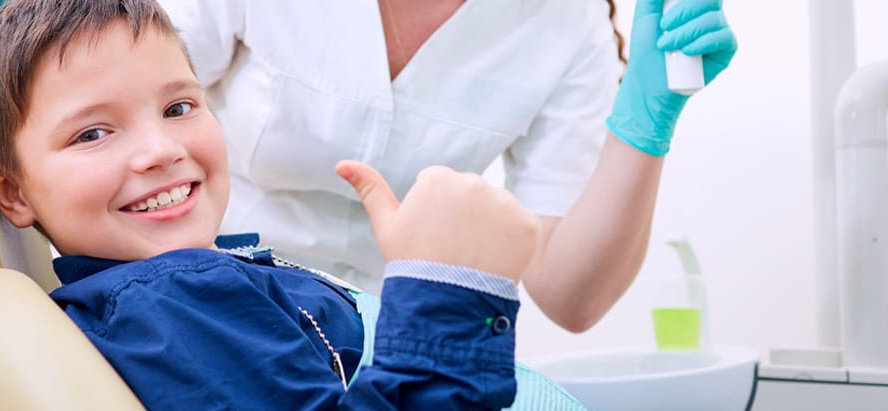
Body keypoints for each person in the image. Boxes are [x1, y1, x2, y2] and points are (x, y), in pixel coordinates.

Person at [0, 0, 594, 411]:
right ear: (12, 190)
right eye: (92, 133)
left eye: (180, 107)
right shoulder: (179, 301)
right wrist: (450, 290)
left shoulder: (176, 292)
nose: (160, 150)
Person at [160, 0, 737, 332]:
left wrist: (644, 122)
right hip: (204, 298)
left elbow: (570, 294)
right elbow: (123, 113)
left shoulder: (566, 19)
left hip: (382, 340)